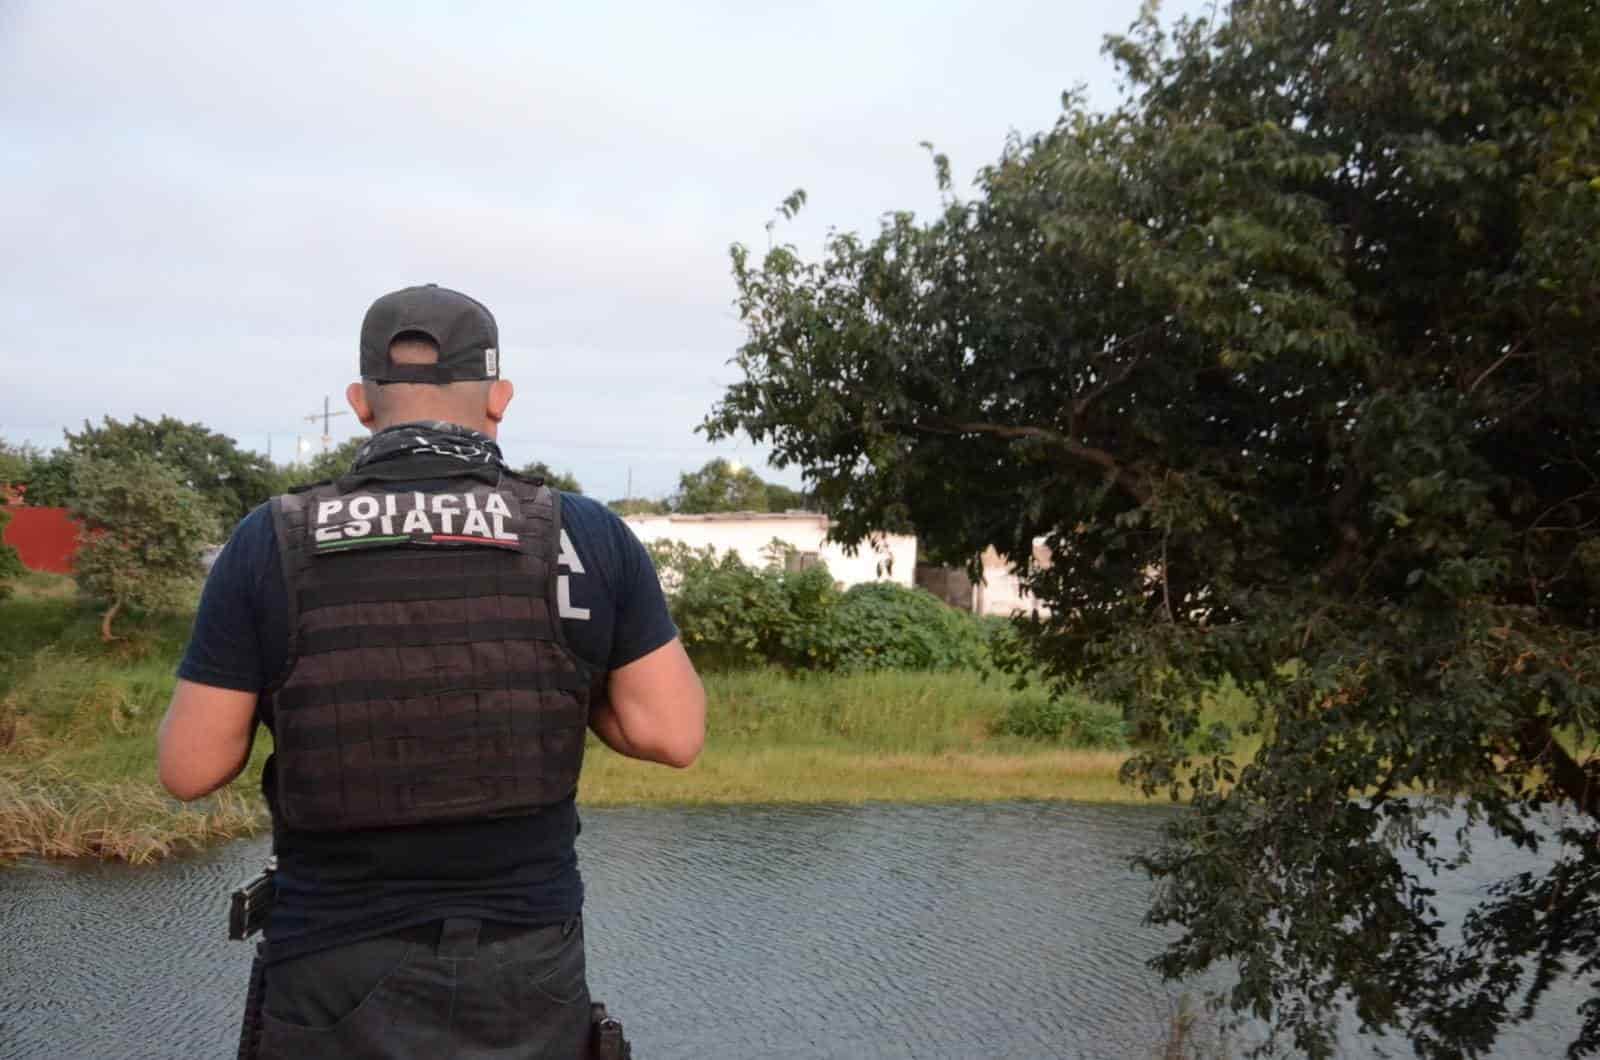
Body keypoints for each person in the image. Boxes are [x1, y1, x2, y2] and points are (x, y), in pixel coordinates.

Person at [158, 283, 706, 1059]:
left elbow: (189, 768)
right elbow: (674, 734)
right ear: (499, 400)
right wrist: (575, 691)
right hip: (527, 965)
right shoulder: (580, 534)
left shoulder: (270, 540)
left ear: (359, 402)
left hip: (331, 963)